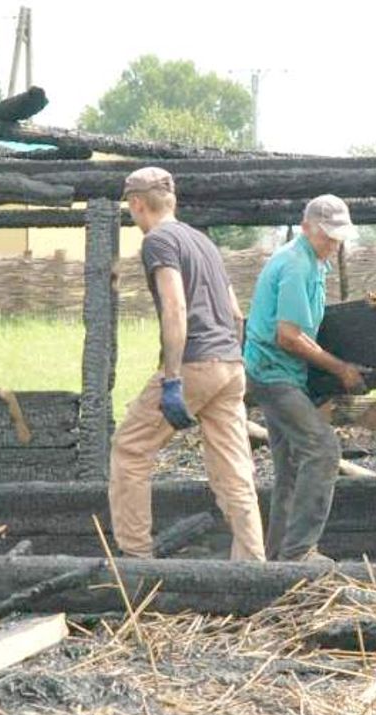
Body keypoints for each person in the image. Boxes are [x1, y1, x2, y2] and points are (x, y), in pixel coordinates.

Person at [108, 167, 265, 561]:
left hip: (195, 362)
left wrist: (173, 378)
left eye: (131, 206)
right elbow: (236, 313)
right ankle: (253, 564)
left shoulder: (158, 241)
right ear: (172, 200)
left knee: (129, 449)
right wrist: (233, 359)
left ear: (137, 203)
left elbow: (175, 308)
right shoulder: (202, 241)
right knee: (234, 472)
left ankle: (135, 557)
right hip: (230, 364)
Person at [244, 194, 367, 562]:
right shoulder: (296, 263)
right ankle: (299, 552)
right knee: (323, 450)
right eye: (327, 235)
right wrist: (341, 369)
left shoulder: (314, 261)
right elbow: (289, 336)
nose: (334, 243)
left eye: (337, 236)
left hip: (283, 373)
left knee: (292, 465)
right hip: (272, 373)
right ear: (306, 227)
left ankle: (278, 555)